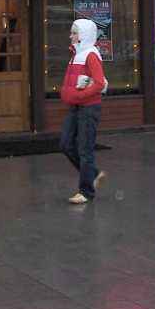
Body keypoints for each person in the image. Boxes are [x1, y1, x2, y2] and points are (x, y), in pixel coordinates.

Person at [59, 19, 108, 204]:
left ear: (84, 35)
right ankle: (93, 174)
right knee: (65, 143)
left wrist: (79, 96)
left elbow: (99, 83)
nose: (71, 36)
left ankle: (86, 192)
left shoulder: (90, 55)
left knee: (85, 149)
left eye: (74, 33)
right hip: (76, 106)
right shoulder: (77, 54)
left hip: (88, 107)